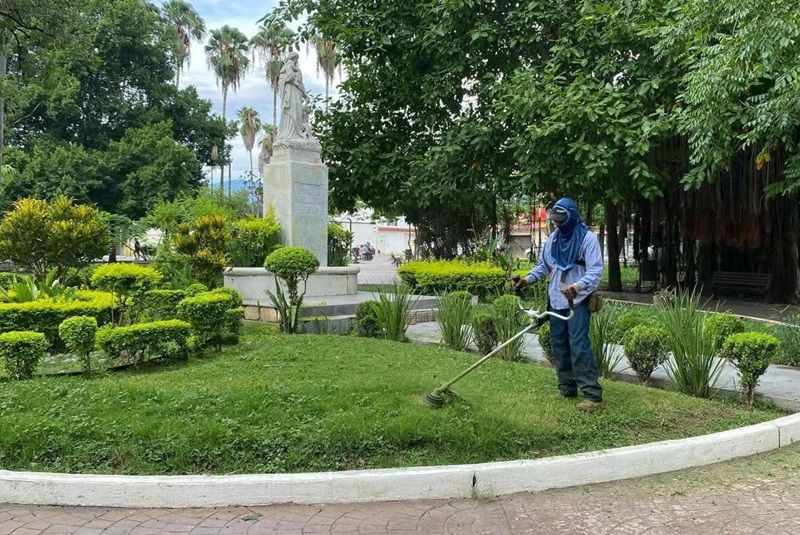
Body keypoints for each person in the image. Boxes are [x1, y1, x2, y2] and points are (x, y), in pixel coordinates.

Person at [514, 198, 604, 412]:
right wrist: (526, 280)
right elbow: (543, 266)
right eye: (555, 220)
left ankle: (592, 396)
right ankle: (567, 388)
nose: (557, 223)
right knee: (559, 345)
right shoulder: (553, 240)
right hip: (555, 300)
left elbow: (595, 271)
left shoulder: (587, 239)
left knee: (578, 345)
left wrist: (577, 287)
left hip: (577, 301)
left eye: (561, 219)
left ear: (572, 217)